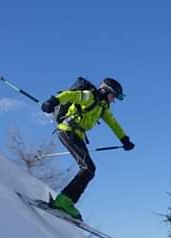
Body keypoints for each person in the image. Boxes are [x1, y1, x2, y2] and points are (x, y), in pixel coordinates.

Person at [39, 78, 134, 220]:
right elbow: (69, 95)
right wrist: (53, 101)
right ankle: (62, 202)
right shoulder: (89, 96)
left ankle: (66, 202)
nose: (113, 100)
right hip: (67, 130)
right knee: (87, 168)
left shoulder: (103, 107)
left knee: (90, 169)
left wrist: (124, 139)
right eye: (113, 96)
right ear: (105, 91)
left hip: (77, 135)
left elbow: (113, 123)